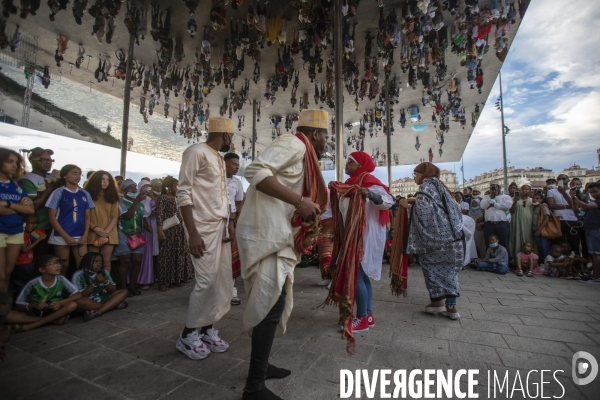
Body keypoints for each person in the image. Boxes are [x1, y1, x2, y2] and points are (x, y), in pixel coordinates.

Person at [237, 109, 327, 400]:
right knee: (269, 306)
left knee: (272, 305)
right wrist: (300, 202)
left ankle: (261, 367)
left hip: (277, 237)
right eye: (325, 134)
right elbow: (254, 171)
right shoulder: (295, 144)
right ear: (315, 133)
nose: (327, 140)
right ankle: (254, 387)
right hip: (267, 236)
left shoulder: (302, 150)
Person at [175, 116, 235, 361]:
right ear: (226, 135)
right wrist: (193, 233)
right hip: (200, 228)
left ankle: (208, 329)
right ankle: (188, 334)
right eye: (231, 136)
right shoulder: (195, 152)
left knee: (222, 280)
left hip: (219, 228)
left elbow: (219, 197)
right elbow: (183, 191)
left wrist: (227, 226)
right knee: (206, 280)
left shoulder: (219, 158)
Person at [327, 151, 394, 335]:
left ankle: (362, 318)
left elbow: (388, 201)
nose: (346, 164)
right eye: (347, 161)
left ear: (361, 165)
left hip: (366, 236)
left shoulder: (370, 182)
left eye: (350, 162)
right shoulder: (348, 185)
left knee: (355, 276)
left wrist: (370, 194)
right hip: (353, 236)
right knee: (362, 277)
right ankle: (368, 315)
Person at [401, 162, 464, 320]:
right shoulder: (438, 185)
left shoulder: (426, 185)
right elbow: (434, 204)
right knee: (448, 270)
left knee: (432, 268)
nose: (414, 176)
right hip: (451, 238)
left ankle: (440, 302)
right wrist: (412, 200)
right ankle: (449, 304)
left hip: (435, 240)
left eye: (416, 173)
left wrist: (407, 205)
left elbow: (425, 209)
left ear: (424, 174)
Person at [11, 254, 81, 331]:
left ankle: (30, 326)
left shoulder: (61, 279)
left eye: (59, 263)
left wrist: (60, 303)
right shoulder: (33, 284)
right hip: (35, 312)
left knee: (72, 305)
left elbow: (78, 294)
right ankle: (51, 320)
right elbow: (18, 306)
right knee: (9, 315)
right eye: (54, 263)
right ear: (42, 269)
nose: (58, 266)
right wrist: (34, 305)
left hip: (53, 311)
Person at [45, 164, 93, 272]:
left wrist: (85, 235)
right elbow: (51, 217)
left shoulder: (85, 194)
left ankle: (79, 288)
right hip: (61, 234)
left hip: (80, 235)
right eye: (74, 173)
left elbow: (87, 217)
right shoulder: (58, 192)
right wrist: (66, 237)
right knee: (63, 265)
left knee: (83, 265)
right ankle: (61, 288)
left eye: (80, 174)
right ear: (65, 176)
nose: (78, 176)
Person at [0, 148, 34, 292]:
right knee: (1, 274)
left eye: (16, 162)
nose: (14, 165)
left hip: (16, 230)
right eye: (9, 162)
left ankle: (4, 306)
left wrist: (8, 205)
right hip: (1, 230)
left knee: (8, 272)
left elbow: (31, 210)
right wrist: (20, 207)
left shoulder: (17, 186)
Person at [18, 147, 56, 258]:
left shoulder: (53, 179)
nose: (48, 163)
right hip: (38, 228)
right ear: (33, 160)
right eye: (44, 160)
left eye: (50, 160)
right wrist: (49, 190)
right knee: (39, 261)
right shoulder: (27, 179)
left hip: (55, 227)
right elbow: (32, 206)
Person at [156, 176, 192, 292]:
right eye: (176, 186)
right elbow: (159, 215)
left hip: (181, 231)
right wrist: (160, 230)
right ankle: (163, 282)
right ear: (170, 187)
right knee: (166, 256)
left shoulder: (179, 199)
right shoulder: (163, 198)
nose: (178, 188)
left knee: (180, 254)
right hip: (169, 230)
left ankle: (177, 278)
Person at [71, 252, 128, 321]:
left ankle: (97, 312)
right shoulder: (78, 275)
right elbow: (81, 295)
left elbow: (113, 290)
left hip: (102, 298)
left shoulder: (104, 272)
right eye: (96, 262)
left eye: (101, 262)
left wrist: (105, 281)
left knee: (124, 291)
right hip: (89, 301)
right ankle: (111, 306)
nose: (99, 264)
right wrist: (95, 283)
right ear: (87, 262)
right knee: (81, 302)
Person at [113, 179, 146, 297]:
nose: (134, 189)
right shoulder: (121, 203)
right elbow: (127, 216)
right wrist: (136, 201)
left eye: (135, 187)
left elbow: (143, 219)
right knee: (125, 262)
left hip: (137, 235)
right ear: (124, 190)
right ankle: (123, 288)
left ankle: (132, 286)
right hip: (124, 234)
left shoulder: (141, 204)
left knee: (137, 261)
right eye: (130, 187)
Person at [84, 171, 119, 273]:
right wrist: (95, 229)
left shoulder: (113, 196)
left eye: (108, 180)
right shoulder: (87, 195)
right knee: (93, 261)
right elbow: (84, 216)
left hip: (109, 232)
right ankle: (94, 285)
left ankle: (105, 286)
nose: (105, 182)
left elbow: (114, 217)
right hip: (92, 230)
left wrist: (104, 234)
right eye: (102, 179)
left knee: (106, 261)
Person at [224, 153, 244, 305]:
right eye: (233, 164)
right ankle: (214, 292)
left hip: (231, 222)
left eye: (238, 164)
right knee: (216, 258)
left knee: (231, 258)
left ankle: (231, 292)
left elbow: (239, 204)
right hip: (216, 220)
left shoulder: (237, 182)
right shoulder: (214, 180)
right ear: (224, 164)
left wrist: (238, 221)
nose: (236, 167)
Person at [572, 181, 600, 283]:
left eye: (595, 192)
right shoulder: (595, 201)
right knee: (593, 254)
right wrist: (573, 199)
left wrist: (574, 197)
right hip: (590, 230)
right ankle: (595, 275)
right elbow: (580, 210)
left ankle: (596, 277)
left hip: (596, 230)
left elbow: (586, 206)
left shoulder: (598, 202)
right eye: (591, 192)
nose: (593, 194)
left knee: (596, 254)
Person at [546, 176, 582, 255]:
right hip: (558, 220)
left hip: (572, 219)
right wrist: (567, 206)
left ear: (568, 180)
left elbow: (574, 205)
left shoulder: (573, 191)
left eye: (563, 178)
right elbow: (551, 205)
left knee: (574, 242)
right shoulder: (552, 191)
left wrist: (564, 193)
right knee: (559, 242)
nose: (561, 180)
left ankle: (575, 262)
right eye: (559, 179)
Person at [11, 214, 45, 294]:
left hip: (27, 263)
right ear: (24, 223)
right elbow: (24, 250)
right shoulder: (22, 233)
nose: (34, 225)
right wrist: (38, 240)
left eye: (35, 223)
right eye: (32, 223)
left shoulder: (26, 234)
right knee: (24, 286)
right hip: (22, 264)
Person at [480, 183, 512, 250]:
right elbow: (483, 206)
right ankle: (490, 259)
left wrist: (495, 204)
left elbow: (508, 206)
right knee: (489, 244)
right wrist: (491, 197)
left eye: (495, 187)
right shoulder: (486, 197)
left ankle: (504, 260)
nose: (494, 189)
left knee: (504, 243)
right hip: (489, 224)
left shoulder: (506, 197)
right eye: (492, 188)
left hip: (502, 223)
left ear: (499, 188)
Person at [136, 180, 155, 289]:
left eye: (148, 186)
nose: (147, 188)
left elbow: (153, 212)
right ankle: (134, 280)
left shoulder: (149, 199)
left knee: (147, 253)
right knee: (136, 255)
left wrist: (152, 199)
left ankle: (145, 279)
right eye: (144, 186)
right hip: (137, 225)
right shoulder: (135, 199)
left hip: (148, 226)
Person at [509, 184, 536, 259]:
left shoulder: (533, 200)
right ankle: (516, 259)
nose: (524, 190)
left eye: (526, 189)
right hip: (516, 222)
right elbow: (511, 210)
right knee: (517, 237)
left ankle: (530, 259)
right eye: (522, 189)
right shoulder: (513, 199)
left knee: (528, 237)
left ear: (530, 191)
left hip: (528, 223)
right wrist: (515, 201)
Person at [531, 192, 551, 263]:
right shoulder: (533, 207)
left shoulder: (543, 207)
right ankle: (541, 263)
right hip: (535, 230)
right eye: (533, 198)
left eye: (537, 198)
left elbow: (546, 219)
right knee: (540, 248)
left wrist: (539, 229)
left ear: (541, 200)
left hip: (542, 230)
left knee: (544, 248)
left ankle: (547, 264)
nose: (535, 200)